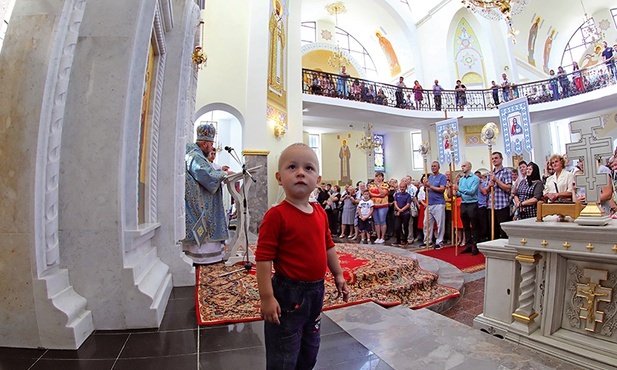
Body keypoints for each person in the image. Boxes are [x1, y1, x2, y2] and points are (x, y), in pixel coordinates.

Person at [255, 143, 349, 370]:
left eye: (308, 168)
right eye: (292, 167)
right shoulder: (276, 215)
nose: (300, 173)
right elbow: (263, 259)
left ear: (317, 179)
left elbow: (328, 246)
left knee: (310, 346)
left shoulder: (319, 212)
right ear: (279, 177)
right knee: (284, 352)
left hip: (316, 291)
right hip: (288, 294)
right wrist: (267, 297)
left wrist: (338, 274)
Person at [182, 123, 234, 265]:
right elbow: (205, 174)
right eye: (211, 144)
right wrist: (223, 174)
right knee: (206, 224)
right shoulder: (195, 156)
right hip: (200, 203)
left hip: (204, 198)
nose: (212, 148)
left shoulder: (197, 156)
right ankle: (205, 256)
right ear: (204, 144)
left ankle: (213, 254)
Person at [453, 161, 480, 255]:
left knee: (474, 226)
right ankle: (468, 245)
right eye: (462, 166)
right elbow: (460, 193)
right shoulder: (462, 180)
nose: (462, 168)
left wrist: (459, 189)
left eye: (464, 166)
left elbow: (472, 191)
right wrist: (456, 192)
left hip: (472, 203)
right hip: (464, 203)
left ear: (469, 166)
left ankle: (476, 246)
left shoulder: (475, 178)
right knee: (465, 226)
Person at [487, 152, 512, 239]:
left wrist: (497, 180)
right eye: (492, 158)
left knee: (504, 231)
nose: (494, 160)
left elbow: (508, 188)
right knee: (493, 231)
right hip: (492, 206)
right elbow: (486, 191)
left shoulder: (507, 172)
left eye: (496, 158)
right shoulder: (490, 173)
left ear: (501, 159)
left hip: (502, 205)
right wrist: (489, 185)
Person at [422, 161, 447, 249]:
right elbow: (426, 190)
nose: (433, 168)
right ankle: (427, 241)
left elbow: (442, 189)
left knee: (440, 224)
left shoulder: (442, 177)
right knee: (426, 223)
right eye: (432, 166)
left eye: (435, 166)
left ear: (438, 167)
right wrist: (425, 186)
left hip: (439, 203)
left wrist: (430, 186)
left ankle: (439, 241)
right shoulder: (430, 177)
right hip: (430, 203)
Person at [368, 172, 390, 243]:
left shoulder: (385, 185)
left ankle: (383, 237)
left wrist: (378, 186)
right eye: (377, 176)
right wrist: (379, 195)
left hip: (383, 205)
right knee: (376, 222)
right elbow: (370, 194)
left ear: (382, 177)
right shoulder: (371, 185)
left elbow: (383, 193)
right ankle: (378, 237)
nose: (378, 178)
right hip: (374, 205)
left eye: (380, 176)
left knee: (382, 221)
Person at [392, 181, 412, 247]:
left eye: (403, 187)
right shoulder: (397, 194)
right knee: (397, 227)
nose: (402, 188)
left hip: (406, 213)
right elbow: (395, 202)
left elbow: (408, 205)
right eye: (401, 187)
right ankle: (397, 239)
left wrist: (401, 210)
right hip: (398, 213)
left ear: (406, 188)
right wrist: (398, 210)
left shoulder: (408, 195)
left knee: (405, 227)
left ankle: (404, 240)